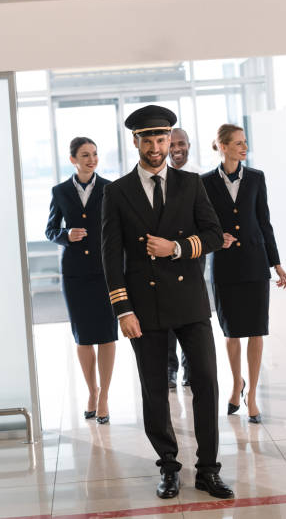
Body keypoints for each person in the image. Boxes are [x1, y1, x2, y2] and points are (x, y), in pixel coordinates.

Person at [101, 105, 234, 500]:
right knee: (155, 389)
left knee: (206, 385)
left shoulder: (190, 184)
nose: (156, 147)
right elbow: (111, 256)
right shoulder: (117, 191)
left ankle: (208, 469)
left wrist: (176, 247)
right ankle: (169, 466)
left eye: (162, 139)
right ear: (136, 142)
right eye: (149, 140)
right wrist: (122, 309)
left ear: (169, 140)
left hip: (191, 303)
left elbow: (212, 235)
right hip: (144, 307)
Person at [202, 124, 286, 424]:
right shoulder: (204, 183)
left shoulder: (256, 178)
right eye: (238, 143)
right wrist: (215, 239)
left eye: (245, 142)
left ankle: (251, 396)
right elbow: (202, 225)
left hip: (255, 263)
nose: (244, 147)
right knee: (231, 333)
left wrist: (275, 262)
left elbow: (265, 222)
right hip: (224, 267)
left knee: (256, 330)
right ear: (222, 146)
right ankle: (236, 383)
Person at [45, 137, 117, 424]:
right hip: (75, 274)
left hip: (105, 272)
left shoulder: (110, 189)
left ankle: (105, 397)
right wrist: (66, 235)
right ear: (73, 159)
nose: (92, 159)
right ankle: (91, 391)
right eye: (85, 155)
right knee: (83, 335)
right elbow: (50, 229)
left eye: (95, 154)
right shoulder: (60, 191)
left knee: (108, 333)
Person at [167, 127, 202, 388]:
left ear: (189, 144)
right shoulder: (159, 177)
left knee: (191, 313)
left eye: (181, 143)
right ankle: (169, 370)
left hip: (193, 252)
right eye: (172, 144)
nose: (177, 148)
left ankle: (191, 370)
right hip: (165, 253)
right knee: (167, 315)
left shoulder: (200, 176)